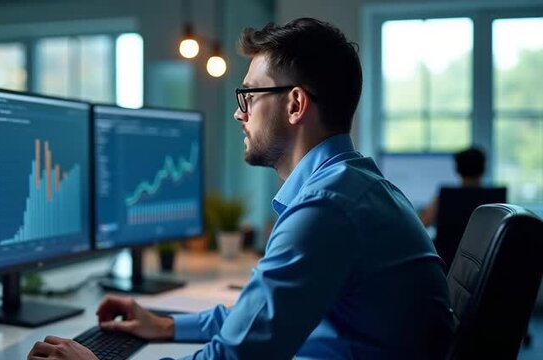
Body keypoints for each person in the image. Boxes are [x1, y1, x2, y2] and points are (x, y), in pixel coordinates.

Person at [27, 18, 453, 359]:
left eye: (248, 95)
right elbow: (263, 316)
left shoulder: (326, 208)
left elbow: (235, 355)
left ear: (295, 104)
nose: (238, 113)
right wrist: (168, 325)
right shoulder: (353, 188)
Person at [419, 147, 487, 227]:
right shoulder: (494, 200)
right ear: (484, 169)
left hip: (448, 240)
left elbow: (422, 224)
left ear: (457, 170)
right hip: (480, 239)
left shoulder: (445, 197)